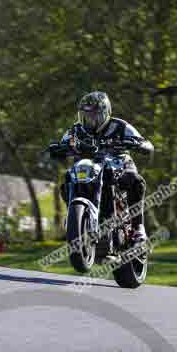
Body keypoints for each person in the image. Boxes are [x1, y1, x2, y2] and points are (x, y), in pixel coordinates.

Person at [50, 91, 154, 242]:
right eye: (86, 115)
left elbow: (146, 143)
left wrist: (138, 144)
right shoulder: (75, 130)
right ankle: (74, 218)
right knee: (67, 178)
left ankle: (138, 227)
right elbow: (63, 143)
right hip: (88, 166)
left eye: (94, 114)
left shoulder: (120, 126)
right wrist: (58, 148)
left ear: (105, 112)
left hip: (119, 163)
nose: (90, 119)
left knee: (134, 180)